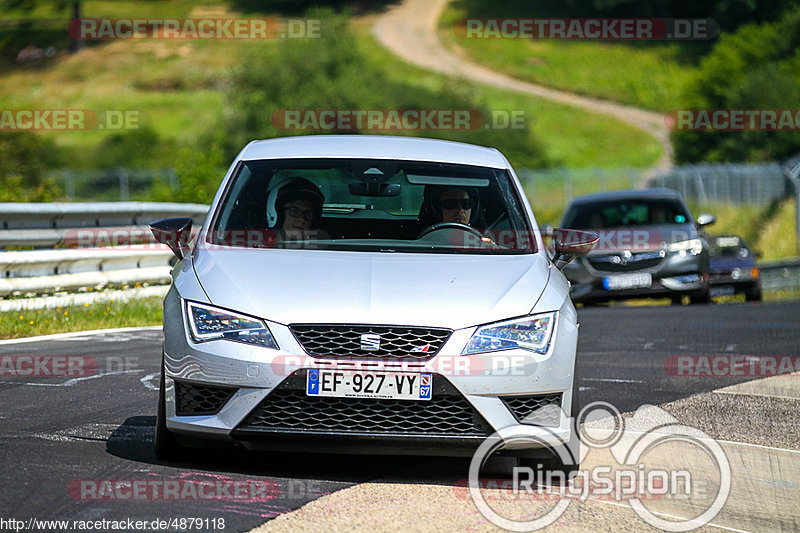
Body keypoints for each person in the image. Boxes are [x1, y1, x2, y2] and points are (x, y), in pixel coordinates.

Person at [265, 177, 325, 241]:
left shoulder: (322, 248)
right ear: (278, 214)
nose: (302, 219)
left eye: (308, 214)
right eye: (294, 211)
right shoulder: (259, 249)